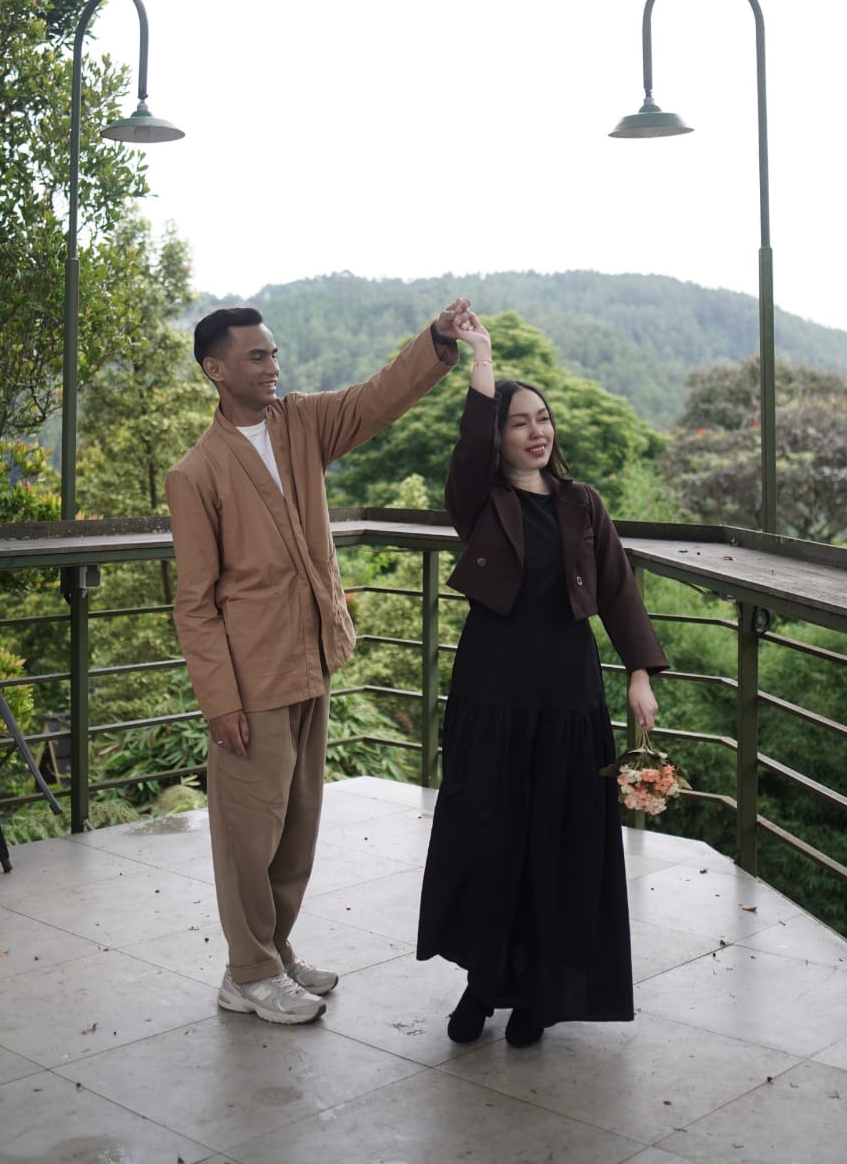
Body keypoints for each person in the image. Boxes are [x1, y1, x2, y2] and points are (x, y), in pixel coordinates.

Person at [166, 298, 472, 1025]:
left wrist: (434, 340)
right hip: (251, 677)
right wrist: (219, 701)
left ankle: (273, 951)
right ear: (215, 370)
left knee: (297, 823)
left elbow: (377, 397)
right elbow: (195, 603)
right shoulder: (196, 472)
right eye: (256, 356)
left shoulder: (301, 423)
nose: (273, 367)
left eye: (274, 353)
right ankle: (247, 973)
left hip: (313, 657)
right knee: (249, 832)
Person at [417, 316, 668, 1047]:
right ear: (497, 437)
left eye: (543, 419)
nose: (537, 432)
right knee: (488, 840)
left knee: (556, 844)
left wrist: (639, 674)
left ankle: (537, 995)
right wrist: (482, 356)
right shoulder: (478, 500)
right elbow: (467, 448)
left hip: (567, 696)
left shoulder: (581, 502)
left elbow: (617, 587)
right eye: (519, 422)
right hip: (491, 694)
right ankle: (481, 984)